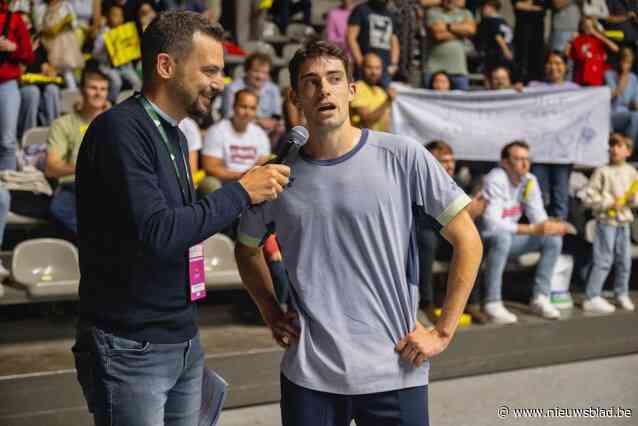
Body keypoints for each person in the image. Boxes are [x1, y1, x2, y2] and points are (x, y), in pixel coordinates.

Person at [235, 40, 483, 426]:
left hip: (395, 370)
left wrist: (444, 330)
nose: (325, 90)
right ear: (295, 96)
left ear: (351, 90)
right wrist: (270, 311)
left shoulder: (403, 156)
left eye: (335, 79)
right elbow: (247, 248)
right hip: (309, 376)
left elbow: (468, 240)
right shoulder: (276, 176)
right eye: (311, 82)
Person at [72, 11, 290, 426]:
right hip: (131, 345)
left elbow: (186, 221)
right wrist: (242, 191)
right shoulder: (119, 130)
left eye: (221, 71)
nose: (219, 83)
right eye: (209, 70)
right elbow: (160, 231)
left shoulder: (174, 132)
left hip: (182, 337)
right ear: (166, 66)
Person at [481, 141, 572, 324]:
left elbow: (538, 216)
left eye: (527, 159)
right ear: (505, 163)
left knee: (552, 239)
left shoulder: (530, 180)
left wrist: (551, 226)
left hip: (511, 236)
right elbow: (492, 223)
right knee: (502, 238)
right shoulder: (495, 179)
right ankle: (492, 301)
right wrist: (531, 229)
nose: (524, 163)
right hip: (486, 240)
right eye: (518, 159)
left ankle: (540, 298)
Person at [418, 140, 488, 324]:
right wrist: (462, 213)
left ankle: (471, 302)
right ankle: (425, 303)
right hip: (425, 238)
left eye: (451, 160)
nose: (449, 165)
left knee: (472, 239)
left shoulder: (456, 184)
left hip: (446, 238)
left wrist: (472, 213)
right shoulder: (418, 184)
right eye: (443, 161)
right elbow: (422, 221)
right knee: (427, 239)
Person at [45, 66, 110, 235]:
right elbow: (51, 168)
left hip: (111, 185)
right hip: (74, 186)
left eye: (103, 89)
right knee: (59, 208)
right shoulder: (63, 124)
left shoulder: (117, 124)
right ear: (82, 91)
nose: (98, 93)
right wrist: (85, 165)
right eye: (93, 88)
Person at [580, 133, 637, 313]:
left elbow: (635, 198)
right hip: (606, 221)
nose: (614, 149)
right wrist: (609, 202)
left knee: (624, 260)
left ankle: (621, 292)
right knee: (604, 259)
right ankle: (591, 296)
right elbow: (588, 196)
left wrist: (630, 200)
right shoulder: (602, 171)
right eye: (611, 146)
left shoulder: (631, 172)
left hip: (623, 222)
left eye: (619, 146)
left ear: (628, 152)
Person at [529, 51, 579, 220]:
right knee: (538, 192)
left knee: (560, 192)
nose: (554, 67)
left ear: (565, 67)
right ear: (545, 66)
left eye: (558, 63)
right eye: (550, 63)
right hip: (539, 150)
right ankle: (539, 228)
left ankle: (558, 234)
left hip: (563, 150)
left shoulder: (575, 90)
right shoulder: (533, 87)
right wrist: (517, 92)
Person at [202, 89, 271, 182]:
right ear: (234, 106)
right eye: (243, 106)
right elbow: (211, 168)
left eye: (252, 108)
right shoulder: (216, 131)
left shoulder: (260, 134)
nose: (247, 113)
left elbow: (263, 164)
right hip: (224, 184)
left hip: (253, 183)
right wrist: (242, 176)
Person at [222, 52, 284, 144]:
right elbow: (229, 116)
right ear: (246, 71)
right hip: (240, 130)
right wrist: (258, 122)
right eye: (256, 71)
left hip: (268, 133)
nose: (260, 77)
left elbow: (277, 116)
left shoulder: (273, 89)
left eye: (264, 73)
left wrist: (274, 124)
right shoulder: (232, 89)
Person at [0, 0, 34, 171]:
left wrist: (13, 47)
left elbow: (28, 55)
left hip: (7, 84)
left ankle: (6, 189)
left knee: (7, 141)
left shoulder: (14, 19)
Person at [92, 4, 143, 103]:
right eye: (114, 15)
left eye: (120, 16)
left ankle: (134, 102)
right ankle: (110, 103)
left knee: (136, 81)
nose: (117, 18)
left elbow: (132, 50)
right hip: (108, 66)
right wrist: (104, 47)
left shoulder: (126, 32)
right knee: (116, 82)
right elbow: (95, 54)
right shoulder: (103, 34)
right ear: (108, 17)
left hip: (125, 66)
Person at [424, 0, 475, 90]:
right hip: (434, 69)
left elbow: (471, 30)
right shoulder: (433, 12)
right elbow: (438, 35)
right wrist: (461, 34)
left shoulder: (466, 13)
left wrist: (447, 26)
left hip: (459, 69)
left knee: (461, 102)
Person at [347, 0, 400, 87]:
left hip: (384, 71)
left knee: (382, 99)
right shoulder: (361, 9)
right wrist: (361, 63)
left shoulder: (390, 13)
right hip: (364, 70)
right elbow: (351, 38)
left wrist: (394, 64)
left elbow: (394, 41)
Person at [350, 52, 396, 132]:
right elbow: (367, 121)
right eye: (369, 67)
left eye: (377, 68)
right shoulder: (356, 88)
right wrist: (387, 101)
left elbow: (385, 124)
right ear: (362, 68)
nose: (374, 72)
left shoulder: (381, 91)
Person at [568, 16, 618, 87]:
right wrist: (570, 41)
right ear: (582, 26)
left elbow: (615, 48)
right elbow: (567, 54)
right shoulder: (578, 39)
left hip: (596, 78)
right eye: (586, 26)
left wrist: (597, 34)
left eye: (591, 26)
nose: (588, 29)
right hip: (580, 78)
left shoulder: (599, 39)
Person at [606, 47, 638, 150]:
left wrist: (635, 104)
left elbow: (634, 101)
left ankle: (629, 147)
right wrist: (623, 77)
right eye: (624, 61)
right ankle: (613, 145)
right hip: (611, 113)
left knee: (636, 116)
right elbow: (613, 96)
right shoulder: (609, 75)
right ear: (619, 61)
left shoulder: (633, 78)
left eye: (629, 63)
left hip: (626, 113)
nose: (626, 65)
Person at [512, 0, 546, 83]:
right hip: (521, 34)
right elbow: (517, 5)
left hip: (537, 35)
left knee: (536, 58)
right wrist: (534, 8)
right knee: (521, 59)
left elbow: (542, 10)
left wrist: (527, 7)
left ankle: (536, 81)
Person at [475, 0, 513, 73]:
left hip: (497, 52)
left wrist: (506, 50)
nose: (482, 10)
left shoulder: (490, 21)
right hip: (507, 49)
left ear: (492, 8)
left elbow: (498, 36)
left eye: (485, 8)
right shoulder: (502, 20)